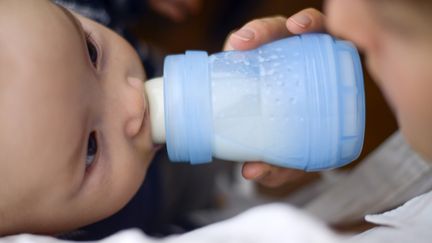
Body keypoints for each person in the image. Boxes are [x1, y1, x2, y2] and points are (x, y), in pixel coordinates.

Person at [2, 0, 432, 242]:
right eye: (91, 147)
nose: (134, 98)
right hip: (173, 201)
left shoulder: (57, 26)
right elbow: (219, 227)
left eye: (93, 54)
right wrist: (258, 183)